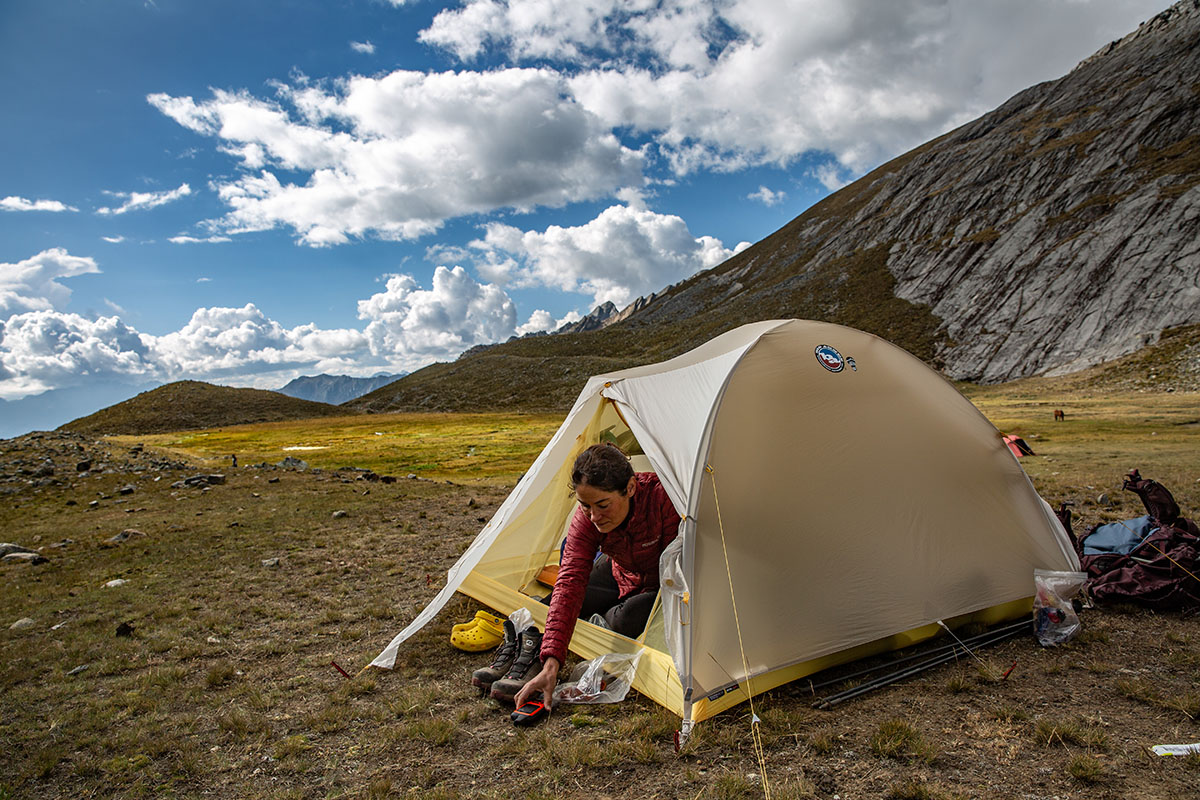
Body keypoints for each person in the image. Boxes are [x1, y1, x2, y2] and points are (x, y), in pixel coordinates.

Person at [513, 442, 681, 711]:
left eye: (603, 505)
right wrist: (552, 663)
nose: (594, 516)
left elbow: (681, 569)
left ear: (630, 488)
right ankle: (535, 660)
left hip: (661, 584)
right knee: (554, 602)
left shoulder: (664, 500)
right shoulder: (587, 518)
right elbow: (569, 580)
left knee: (629, 616)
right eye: (585, 506)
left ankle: (601, 623)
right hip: (620, 570)